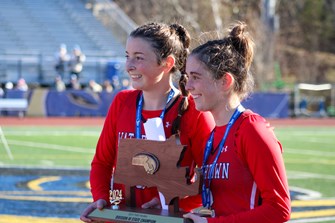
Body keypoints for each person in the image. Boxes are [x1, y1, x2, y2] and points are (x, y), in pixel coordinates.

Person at [80, 22, 215, 222]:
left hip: (168, 219)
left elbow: (211, 179)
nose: (129, 66)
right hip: (121, 216)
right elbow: (102, 163)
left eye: (139, 58)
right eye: (127, 56)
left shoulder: (194, 111)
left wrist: (176, 205)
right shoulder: (122, 102)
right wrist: (101, 198)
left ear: (167, 63)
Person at [183, 22, 291, 223]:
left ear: (225, 82)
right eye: (187, 77)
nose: (188, 86)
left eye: (196, 77)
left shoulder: (251, 130)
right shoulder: (216, 133)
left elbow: (279, 210)